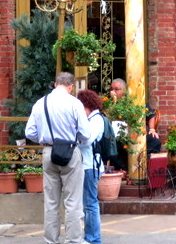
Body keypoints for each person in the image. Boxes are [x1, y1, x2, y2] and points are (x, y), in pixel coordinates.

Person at [25, 72, 92, 244]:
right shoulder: (75, 103)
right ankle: (73, 240)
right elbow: (85, 134)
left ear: (56, 84)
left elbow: (29, 132)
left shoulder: (40, 103)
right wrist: (74, 137)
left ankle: (51, 241)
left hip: (49, 151)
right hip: (70, 152)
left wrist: (45, 139)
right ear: (71, 87)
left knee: (51, 202)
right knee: (73, 202)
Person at [109, 78, 162, 162]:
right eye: (112, 89)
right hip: (120, 131)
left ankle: (144, 162)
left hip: (138, 129)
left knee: (155, 142)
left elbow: (151, 115)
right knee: (117, 145)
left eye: (116, 89)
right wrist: (114, 101)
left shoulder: (136, 100)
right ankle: (124, 167)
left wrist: (152, 129)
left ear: (124, 90)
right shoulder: (110, 103)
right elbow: (110, 117)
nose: (113, 92)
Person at [77, 89, 104, 244]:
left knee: (90, 203)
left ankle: (93, 238)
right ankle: (91, 237)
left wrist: (75, 139)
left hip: (90, 165)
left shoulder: (96, 120)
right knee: (87, 203)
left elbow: (87, 140)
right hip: (87, 165)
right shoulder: (90, 119)